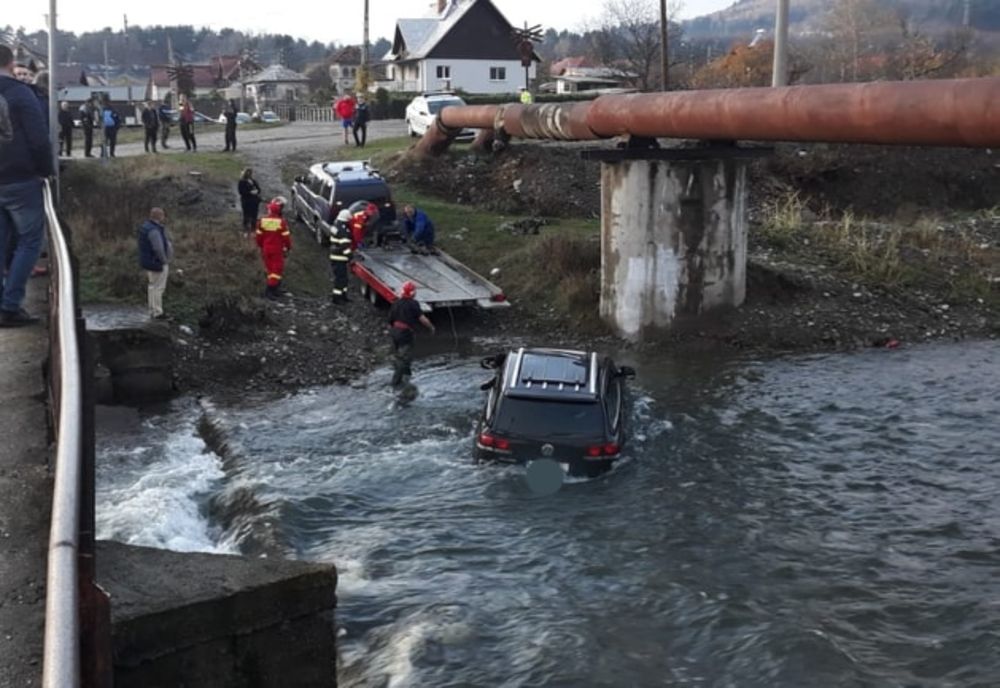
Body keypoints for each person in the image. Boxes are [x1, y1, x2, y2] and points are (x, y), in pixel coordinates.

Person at [0, 44, 55, 327]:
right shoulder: (21, 93)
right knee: (29, 241)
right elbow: (38, 139)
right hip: (20, 179)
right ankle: (9, 306)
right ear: (11, 64)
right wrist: (46, 171)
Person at [387, 281, 435, 390]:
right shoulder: (413, 304)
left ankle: (406, 376)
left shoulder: (396, 303)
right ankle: (396, 383)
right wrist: (431, 327)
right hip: (405, 333)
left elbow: (390, 320)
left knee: (400, 354)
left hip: (394, 332)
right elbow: (422, 319)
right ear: (412, 293)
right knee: (403, 358)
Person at [137, 207, 173, 320]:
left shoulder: (146, 227)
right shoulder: (154, 230)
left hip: (149, 261)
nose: (164, 217)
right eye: (163, 215)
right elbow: (158, 248)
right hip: (157, 262)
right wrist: (164, 261)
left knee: (152, 286)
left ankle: (152, 310)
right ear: (160, 216)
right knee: (159, 288)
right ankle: (158, 312)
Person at [255, 198, 292, 299]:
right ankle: (270, 290)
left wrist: (260, 246)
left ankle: (274, 289)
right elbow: (286, 238)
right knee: (276, 270)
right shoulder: (281, 222)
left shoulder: (262, 221)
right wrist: (288, 247)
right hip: (277, 250)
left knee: (270, 269)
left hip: (266, 249)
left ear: (270, 210)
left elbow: (258, 237)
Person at [328, 209, 353, 304]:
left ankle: (343, 296)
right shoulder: (342, 229)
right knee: (340, 278)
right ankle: (337, 298)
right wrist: (351, 257)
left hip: (336, 256)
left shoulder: (336, 225)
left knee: (344, 278)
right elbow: (345, 246)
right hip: (339, 257)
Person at [238, 168, 262, 235]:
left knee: (254, 215)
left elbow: (259, 189)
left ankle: (253, 229)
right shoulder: (242, 182)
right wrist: (250, 192)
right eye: (248, 173)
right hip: (246, 201)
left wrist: (257, 191)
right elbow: (241, 191)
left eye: (250, 173)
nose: (249, 174)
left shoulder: (253, 181)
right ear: (245, 173)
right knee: (246, 215)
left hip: (254, 201)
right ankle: (245, 229)